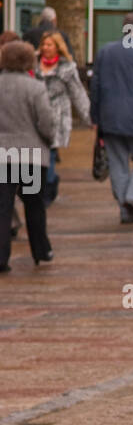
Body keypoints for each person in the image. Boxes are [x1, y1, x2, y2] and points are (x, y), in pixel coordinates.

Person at [89, 13, 133, 223]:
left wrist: (95, 116)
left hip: (110, 117)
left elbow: (96, 87)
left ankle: (125, 209)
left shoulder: (106, 51)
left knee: (118, 163)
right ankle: (132, 197)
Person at [0, 40, 57, 271]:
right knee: (34, 204)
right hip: (30, 155)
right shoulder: (35, 88)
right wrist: (50, 139)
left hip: (3, 154)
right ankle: (41, 249)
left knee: (3, 206)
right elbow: (46, 121)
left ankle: (1, 256)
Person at [34, 31, 91, 202]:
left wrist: (89, 118)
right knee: (38, 155)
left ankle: (49, 186)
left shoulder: (67, 68)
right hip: (35, 116)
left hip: (57, 117)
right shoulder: (32, 64)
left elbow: (78, 94)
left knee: (50, 154)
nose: (45, 48)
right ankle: (43, 189)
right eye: (43, 44)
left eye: (49, 45)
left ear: (58, 47)